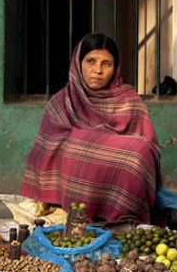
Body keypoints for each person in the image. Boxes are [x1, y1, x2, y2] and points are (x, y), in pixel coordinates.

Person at [20, 33, 161, 224]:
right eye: (91, 61)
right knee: (74, 146)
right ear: (78, 63)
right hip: (75, 183)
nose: (98, 70)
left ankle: (125, 219)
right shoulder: (62, 102)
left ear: (115, 67)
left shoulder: (130, 100)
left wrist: (98, 142)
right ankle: (81, 209)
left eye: (106, 64)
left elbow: (148, 147)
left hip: (118, 175)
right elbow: (47, 150)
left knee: (140, 151)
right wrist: (90, 141)